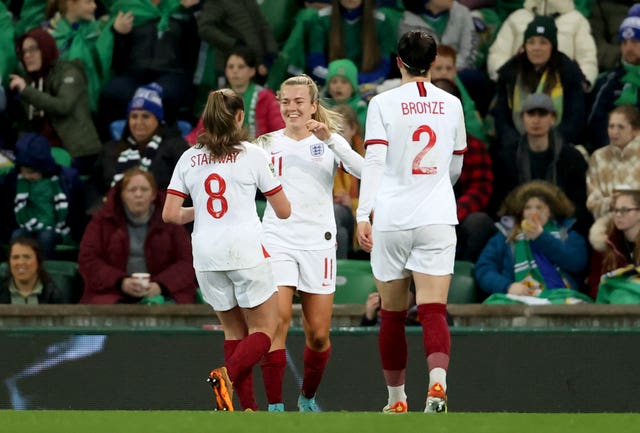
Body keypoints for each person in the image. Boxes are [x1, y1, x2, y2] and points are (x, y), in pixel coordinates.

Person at [356, 30, 466, 414]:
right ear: (434, 61)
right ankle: (437, 385)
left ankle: (397, 400)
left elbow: (373, 162)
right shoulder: (452, 104)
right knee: (433, 309)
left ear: (398, 61)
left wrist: (362, 213)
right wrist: (433, 187)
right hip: (437, 214)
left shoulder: (382, 103)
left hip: (392, 216)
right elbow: (456, 164)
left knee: (392, 313)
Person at [163, 89, 291, 412]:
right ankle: (227, 375)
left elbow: (169, 214)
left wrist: (201, 210)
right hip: (244, 249)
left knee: (234, 330)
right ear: (238, 117)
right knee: (266, 328)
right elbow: (284, 209)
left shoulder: (189, 157)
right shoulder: (251, 154)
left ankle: (246, 409)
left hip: (205, 254)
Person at [253, 74, 363, 412]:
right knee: (278, 319)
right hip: (277, 238)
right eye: (286, 101)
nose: (292, 108)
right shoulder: (265, 144)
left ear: (314, 105)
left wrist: (332, 139)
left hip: (318, 242)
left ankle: (308, 397)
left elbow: (364, 170)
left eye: (299, 101)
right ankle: (274, 405)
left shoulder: (328, 143)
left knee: (317, 333)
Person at [79, 167, 197, 304]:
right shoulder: (102, 221)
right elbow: (89, 260)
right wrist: (120, 282)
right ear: (121, 194)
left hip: (163, 293)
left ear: (153, 194)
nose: (138, 194)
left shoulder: (170, 220)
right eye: (132, 190)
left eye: (144, 189)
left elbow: (187, 261)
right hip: (113, 292)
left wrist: (160, 285)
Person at [492, 92, 592, 236]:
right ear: (523, 118)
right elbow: (500, 199)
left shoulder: (572, 157)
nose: (536, 120)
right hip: (517, 222)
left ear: (553, 118)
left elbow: (579, 202)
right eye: (531, 114)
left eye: (542, 114)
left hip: (562, 223)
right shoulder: (506, 157)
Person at [474, 181, 589, 302]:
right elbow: (484, 269)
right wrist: (508, 286)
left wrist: (541, 237)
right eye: (528, 207)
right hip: (517, 299)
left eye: (539, 207)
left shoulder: (566, 234)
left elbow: (577, 263)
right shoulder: (506, 236)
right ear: (521, 212)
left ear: (550, 211)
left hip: (561, 296)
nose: (533, 212)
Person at [9, 28, 102, 175]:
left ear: (46, 48)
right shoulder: (28, 82)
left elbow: (62, 106)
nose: (27, 56)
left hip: (77, 152)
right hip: (43, 154)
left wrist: (26, 91)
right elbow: (25, 125)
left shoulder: (69, 72)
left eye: (33, 49)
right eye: (24, 52)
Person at [491, 15, 587, 151]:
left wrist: (552, 143)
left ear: (552, 46)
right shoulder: (510, 72)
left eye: (543, 42)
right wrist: (513, 142)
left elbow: (575, 118)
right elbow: (501, 115)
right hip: (516, 145)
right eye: (531, 42)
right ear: (524, 46)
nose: (536, 48)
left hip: (559, 145)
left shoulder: (568, 72)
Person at [88, 82, 189, 209]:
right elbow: (94, 187)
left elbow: (187, 189)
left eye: (145, 116)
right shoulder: (110, 149)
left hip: (162, 219)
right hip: (113, 218)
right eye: (134, 116)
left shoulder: (176, 148)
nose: (139, 122)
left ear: (158, 120)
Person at [431, 77, 494, 262]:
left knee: (479, 223)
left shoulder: (475, 146)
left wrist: (451, 214)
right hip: (422, 212)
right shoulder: (411, 145)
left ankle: (466, 277)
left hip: (460, 214)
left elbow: (480, 189)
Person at [45, 0, 135, 112]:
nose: (94, 5)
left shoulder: (98, 29)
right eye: (88, 2)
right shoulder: (50, 36)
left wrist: (114, 32)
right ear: (71, 4)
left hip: (96, 105)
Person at [6, 133, 84, 259]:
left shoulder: (65, 179)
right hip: (26, 225)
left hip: (56, 228)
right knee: (17, 235)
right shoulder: (14, 180)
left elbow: (78, 209)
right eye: (23, 171)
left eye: (31, 172)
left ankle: (44, 273)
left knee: (46, 236)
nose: (27, 176)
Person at [486, 0, 598, 88]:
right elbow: (498, 54)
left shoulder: (577, 20)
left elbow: (587, 57)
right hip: (519, 85)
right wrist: (506, 79)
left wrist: (583, 83)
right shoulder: (517, 17)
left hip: (561, 86)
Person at [186, 48, 285, 144]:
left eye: (241, 67)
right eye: (231, 67)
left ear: (252, 71)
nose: (235, 71)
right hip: (222, 154)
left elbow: (279, 131)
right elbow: (202, 130)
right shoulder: (217, 97)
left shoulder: (266, 97)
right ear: (225, 70)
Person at [307, 0, 395, 86]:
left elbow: (384, 67)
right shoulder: (321, 18)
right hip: (333, 88)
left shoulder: (381, 21)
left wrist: (356, 81)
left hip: (369, 87)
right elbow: (315, 65)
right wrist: (339, 81)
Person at [196, 0, 279, 87]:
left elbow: (263, 25)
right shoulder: (216, 2)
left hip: (256, 66)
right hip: (231, 67)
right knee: (229, 99)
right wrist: (234, 44)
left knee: (254, 98)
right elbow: (205, 29)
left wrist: (270, 55)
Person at [588, 11, 640, 151]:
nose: (629, 48)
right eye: (624, 43)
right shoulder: (608, 81)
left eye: (635, 42)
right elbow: (595, 122)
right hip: (613, 154)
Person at [587, 104, 640, 219]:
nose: (614, 132)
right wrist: (610, 203)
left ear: (636, 130)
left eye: (621, 127)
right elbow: (592, 200)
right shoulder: (598, 157)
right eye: (611, 126)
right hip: (608, 223)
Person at [588, 188, 640, 301]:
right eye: (615, 210)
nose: (618, 215)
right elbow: (594, 284)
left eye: (625, 210)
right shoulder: (604, 242)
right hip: (611, 304)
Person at [332, 104, 365, 258]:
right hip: (334, 214)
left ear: (353, 129)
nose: (336, 137)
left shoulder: (368, 156)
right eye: (332, 132)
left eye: (341, 132)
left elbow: (380, 197)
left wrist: (351, 202)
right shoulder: (324, 154)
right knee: (339, 230)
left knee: (335, 212)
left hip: (362, 215)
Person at [0, 237, 66, 304]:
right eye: (15, 257)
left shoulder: (53, 294)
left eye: (27, 257)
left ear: (38, 261)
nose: (21, 262)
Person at [322, 58, 368, 133]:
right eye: (334, 82)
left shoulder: (360, 108)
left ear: (353, 88)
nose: (338, 86)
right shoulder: (323, 108)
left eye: (344, 82)